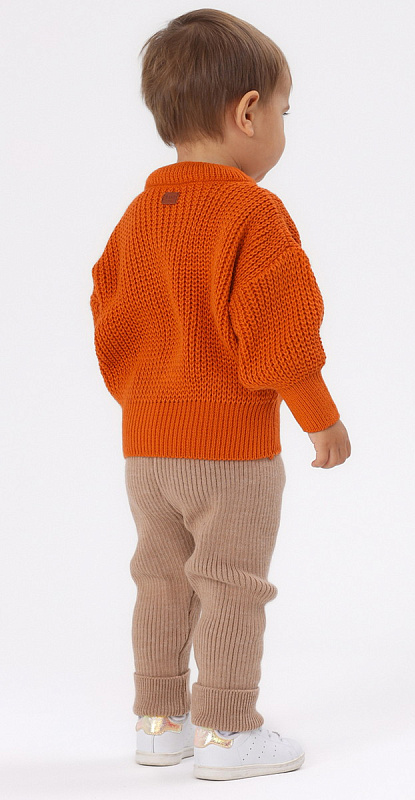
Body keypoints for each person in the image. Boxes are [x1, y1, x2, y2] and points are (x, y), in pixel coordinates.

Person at [90, 8, 351, 782]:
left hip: (147, 451)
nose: (281, 127)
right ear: (248, 112)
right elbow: (280, 330)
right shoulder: (252, 212)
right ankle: (229, 732)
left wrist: (146, 400)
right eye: (283, 112)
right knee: (232, 585)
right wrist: (320, 417)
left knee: (160, 579)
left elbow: (109, 316)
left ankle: (159, 722)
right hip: (231, 454)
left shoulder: (137, 216)